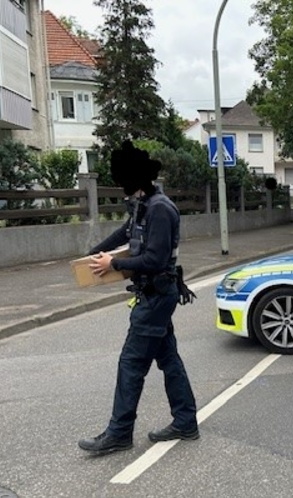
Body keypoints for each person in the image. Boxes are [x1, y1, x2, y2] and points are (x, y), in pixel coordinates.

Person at [78, 140, 199, 455]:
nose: (121, 188)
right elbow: (124, 233)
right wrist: (93, 257)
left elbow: (155, 260)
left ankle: (119, 433)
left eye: (123, 180)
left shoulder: (160, 209)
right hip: (156, 293)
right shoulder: (143, 204)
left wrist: (114, 264)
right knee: (169, 359)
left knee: (131, 363)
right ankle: (185, 421)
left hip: (156, 295)